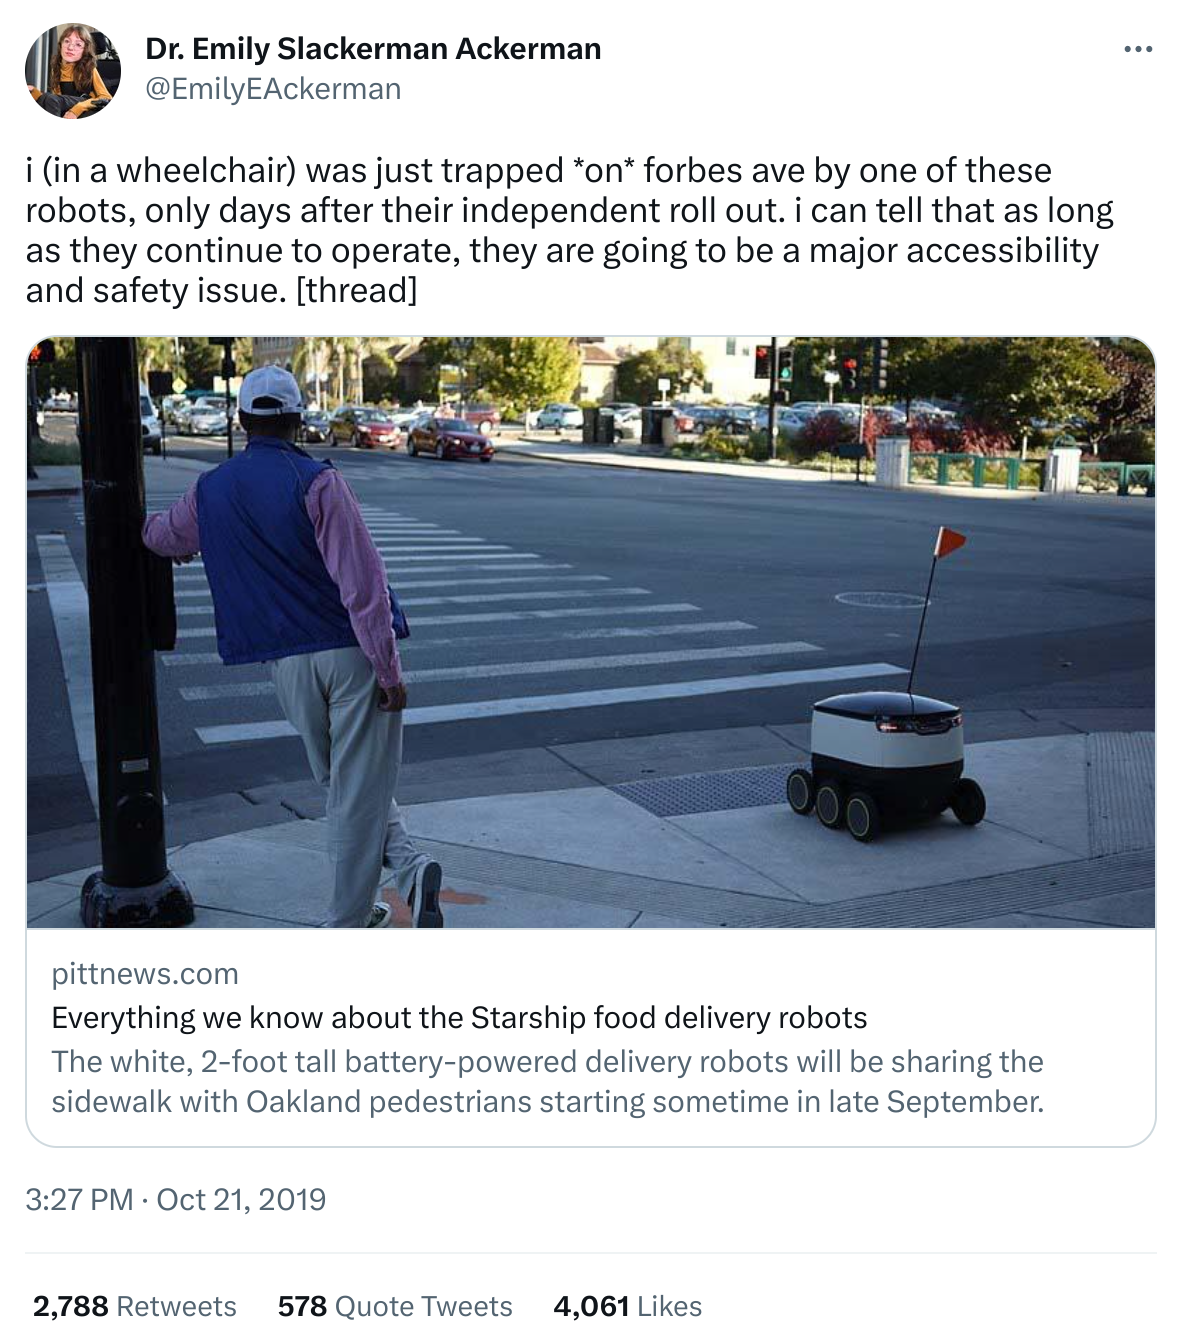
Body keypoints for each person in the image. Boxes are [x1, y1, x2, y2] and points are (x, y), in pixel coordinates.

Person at [142, 366, 443, 929]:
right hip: (348, 655)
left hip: (285, 662)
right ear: (296, 419)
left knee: (345, 782)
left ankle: (409, 867)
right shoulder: (318, 482)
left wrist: (141, 524)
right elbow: (363, 584)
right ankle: (349, 920)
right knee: (356, 788)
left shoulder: (211, 489)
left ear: (242, 420)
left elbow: (162, 537)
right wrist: (388, 668)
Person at [28, 25, 113, 119]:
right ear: (61, 45)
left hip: (85, 104)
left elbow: (106, 97)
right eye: (67, 41)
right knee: (44, 99)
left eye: (78, 44)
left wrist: (78, 109)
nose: (70, 47)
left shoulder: (90, 69)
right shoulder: (57, 68)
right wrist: (35, 93)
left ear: (85, 50)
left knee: (50, 99)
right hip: (64, 104)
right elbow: (58, 98)